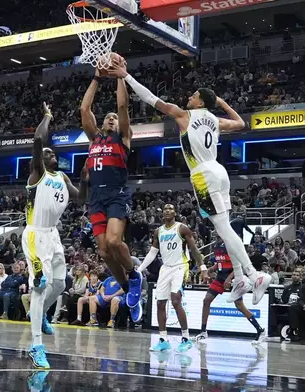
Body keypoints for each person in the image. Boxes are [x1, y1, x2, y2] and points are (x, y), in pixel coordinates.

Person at [106, 55, 271, 304]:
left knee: (225, 229)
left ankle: (253, 274)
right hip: (219, 171)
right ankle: (240, 277)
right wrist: (223, 103)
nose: (189, 97)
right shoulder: (215, 120)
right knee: (223, 228)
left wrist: (125, 76)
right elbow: (239, 123)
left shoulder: (184, 115)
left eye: (193, 95)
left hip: (204, 176)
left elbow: (151, 99)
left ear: (200, 101)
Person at [22, 102, 87, 369]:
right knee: (39, 287)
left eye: (52, 153)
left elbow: (82, 200)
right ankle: (36, 346)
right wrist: (47, 115)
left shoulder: (62, 177)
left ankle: (41, 314)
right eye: (47, 153)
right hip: (35, 235)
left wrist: (85, 178)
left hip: (54, 236)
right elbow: (39, 138)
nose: (52, 155)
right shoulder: (37, 174)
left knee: (60, 284)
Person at [80, 58, 143, 325]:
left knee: (116, 242)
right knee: (104, 251)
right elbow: (84, 108)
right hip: (96, 197)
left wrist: (120, 75)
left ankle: (135, 275)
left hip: (117, 193)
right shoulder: (94, 138)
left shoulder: (123, 138)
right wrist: (95, 78)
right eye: (108, 118)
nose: (111, 118)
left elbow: (122, 105)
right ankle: (129, 289)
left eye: (114, 119)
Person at [137, 204, 203, 353]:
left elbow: (193, 249)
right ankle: (163, 340)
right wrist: (139, 269)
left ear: (175, 213)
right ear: (162, 214)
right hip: (165, 268)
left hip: (181, 266)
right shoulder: (158, 231)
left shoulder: (182, 228)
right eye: (165, 209)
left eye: (170, 208)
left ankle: (186, 338)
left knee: (175, 300)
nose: (167, 210)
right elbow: (153, 253)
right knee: (160, 303)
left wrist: (202, 267)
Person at [195, 239, 266, 345]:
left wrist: (229, 278)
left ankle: (260, 331)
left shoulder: (231, 244)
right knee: (206, 300)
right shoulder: (216, 245)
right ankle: (203, 332)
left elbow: (239, 265)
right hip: (220, 277)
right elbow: (220, 263)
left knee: (239, 306)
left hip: (235, 278)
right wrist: (210, 269)